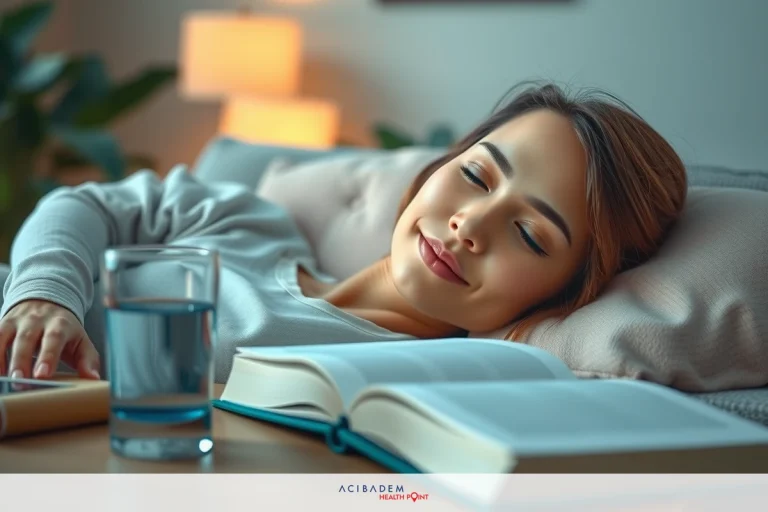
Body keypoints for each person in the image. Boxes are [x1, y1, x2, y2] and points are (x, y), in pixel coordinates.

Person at [0, 82, 687, 384]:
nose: (470, 224)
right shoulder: (246, 219)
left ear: (567, 294)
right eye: (476, 177)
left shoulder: (413, 384)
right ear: (436, 170)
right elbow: (84, 205)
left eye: (532, 236)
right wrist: (42, 298)